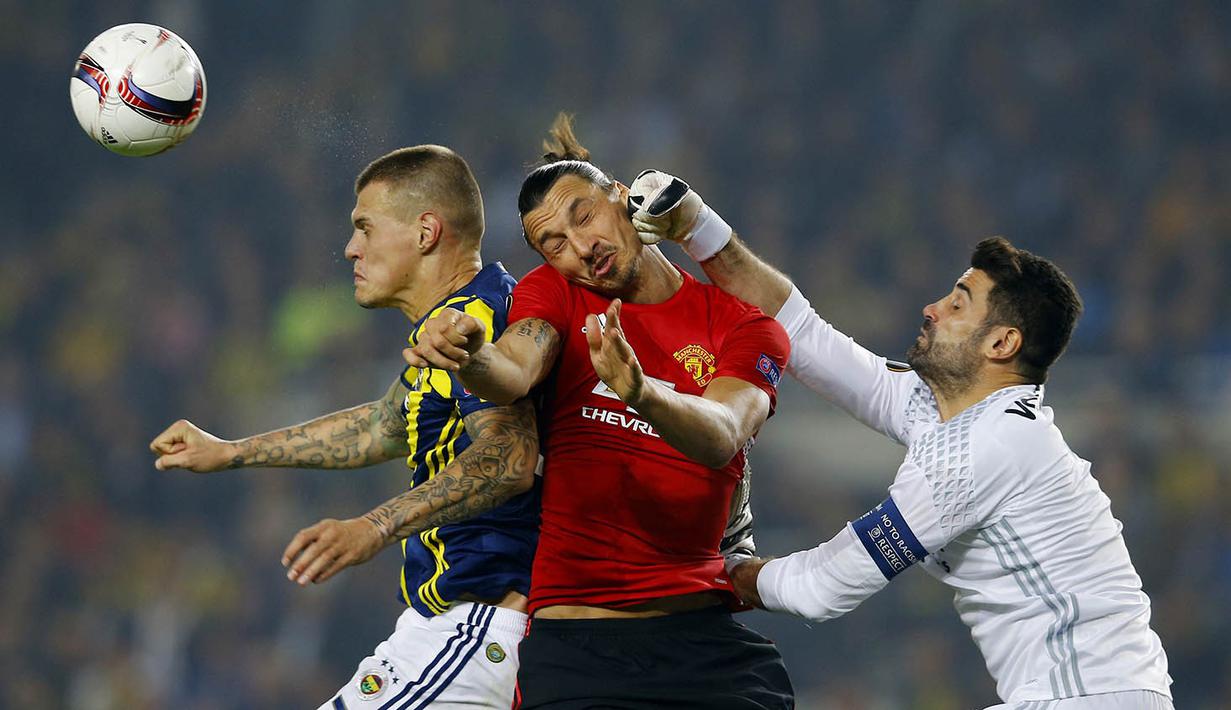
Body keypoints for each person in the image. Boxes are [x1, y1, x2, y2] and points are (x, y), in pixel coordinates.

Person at [626, 170, 1174, 709]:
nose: (932, 308)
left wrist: (717, 574)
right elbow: (803, 331)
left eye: (958, 304)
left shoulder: (987, 447)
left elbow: (827, 585)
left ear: (1002, 342)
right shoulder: (941, 408)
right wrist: (697, 224)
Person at [406, 115, 794, 709]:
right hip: (579, 644)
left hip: (703, 641)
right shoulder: (555, 294)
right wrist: (472, 355)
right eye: (553, 243)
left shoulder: (744, 325)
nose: (582, 248)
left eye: (583, 216)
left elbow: (721, 436)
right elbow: (513, 371)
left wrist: (641, 393)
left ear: (621, 196)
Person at [148, 146, 541, 710]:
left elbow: (510, 459)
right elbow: (381, 427)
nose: (351, 247)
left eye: (365, 227)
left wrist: (375, 527)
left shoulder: (471, 323)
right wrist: (230, 451)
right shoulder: (461, 315)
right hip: (456, 627)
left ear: (426, 231)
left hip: (477, 626)